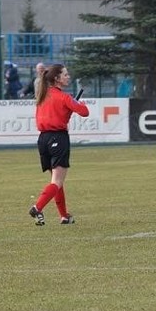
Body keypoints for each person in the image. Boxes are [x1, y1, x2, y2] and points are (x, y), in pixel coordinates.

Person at [28, 64, 90, 225]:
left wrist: (68, 110)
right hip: (58, 138)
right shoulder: (64, 97)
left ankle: (64, 216)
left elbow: (56, 113)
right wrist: (81, 104)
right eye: (65, 75)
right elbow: (84, 112)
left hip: (43, 140)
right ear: (57, 78)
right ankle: (37, 207)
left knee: (56, 181)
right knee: (57, 181)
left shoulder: (42, 95)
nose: (68, 77)